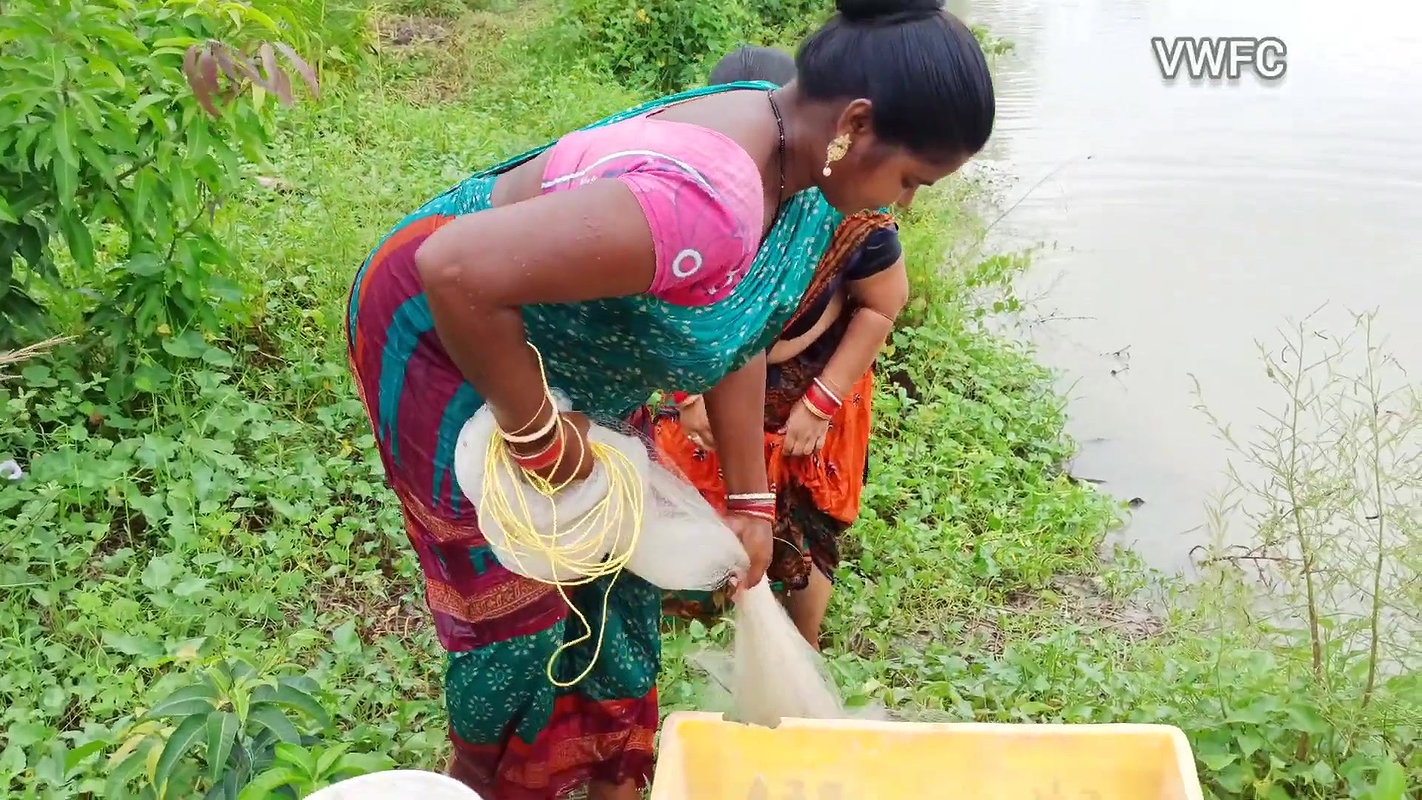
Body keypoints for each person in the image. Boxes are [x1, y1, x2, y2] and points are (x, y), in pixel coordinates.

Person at [343, 1, 994, 798]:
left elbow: (738, 325)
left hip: (563, 342)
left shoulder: (795, 156)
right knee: (525, 597)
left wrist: (752, 502)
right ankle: (501, 781)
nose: (902, 208)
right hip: (452, 341)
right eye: (910, 180)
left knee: (615, 567)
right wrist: (543, 437)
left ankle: (604, 773)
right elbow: (454, 269)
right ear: (855, 124)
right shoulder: (711, 199)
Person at [653, 46, 909, 648]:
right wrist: (692, 392)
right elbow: (672, 310)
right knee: (695, 488)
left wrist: (820, 403)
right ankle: (698, 607)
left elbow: (881, 305)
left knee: (805, 513)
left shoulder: (846, 212)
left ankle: (805, 639)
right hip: (717, 364)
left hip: (814, 378)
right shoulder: (697, 199)